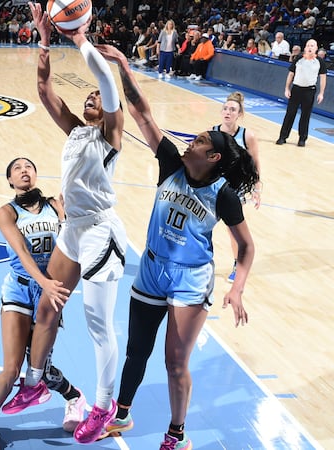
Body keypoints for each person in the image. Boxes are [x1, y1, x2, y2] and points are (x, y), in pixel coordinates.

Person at [96, 43, 258, 450]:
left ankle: (177, 434)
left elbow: (246, 247)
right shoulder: (172, 162)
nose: (193, 139)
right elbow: (142, 113)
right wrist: (122, 66)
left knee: (174, 363)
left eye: (202, 139)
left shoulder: (223, 195)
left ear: (214, 156)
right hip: (152, 267)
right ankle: (123, 413)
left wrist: (236, 286)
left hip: (190, 279)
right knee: (137, 351)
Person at [3, 4, 128, 444]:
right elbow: (43, 88)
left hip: (100, 232)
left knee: (98, 325)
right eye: (89, 95)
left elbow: (109, 81)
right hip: (73, 228)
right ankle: (35, 383)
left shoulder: (111, 133)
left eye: (97, 96)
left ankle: (103, 402)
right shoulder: (76, 130)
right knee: (45, 306)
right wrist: (43, 39)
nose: (92, 96)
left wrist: (79, 38)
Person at [0, 157, 87, 450]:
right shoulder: (6, 212)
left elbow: (71, 241)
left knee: (39, 370)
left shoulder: (54, 205)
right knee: (12, 369)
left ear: (36, 174)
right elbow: (22, 252)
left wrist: (67, 217)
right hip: (20, 289)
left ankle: (75, 397)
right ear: (10, 181)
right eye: (16, 168)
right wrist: (44, 281)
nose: (24, 170)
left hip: (50, 292)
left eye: (29, 166)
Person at [211, 92, 263, 283]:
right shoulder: (213, 132)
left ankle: (237, 264)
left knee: (233, 230)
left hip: (234, 190)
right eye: (225, 108)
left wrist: (257, 188)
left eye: (232, 109)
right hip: (213, 186)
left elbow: (255, 162)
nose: (227, 112)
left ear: (239, 114)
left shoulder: (247, 135)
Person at [276, 38, 326, 147]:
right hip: (296, 89)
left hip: (309, 91)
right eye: (308, 45)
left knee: (305, 115)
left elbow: (323, 78)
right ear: (305, 47)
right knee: (290, 113)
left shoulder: (320, 62)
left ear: (316, 48)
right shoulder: (298, 58)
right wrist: (287, 88)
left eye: (312, 46)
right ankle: (282, 137)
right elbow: (290, 74)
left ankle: (302, 139)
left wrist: (321, 93)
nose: (310, 47)